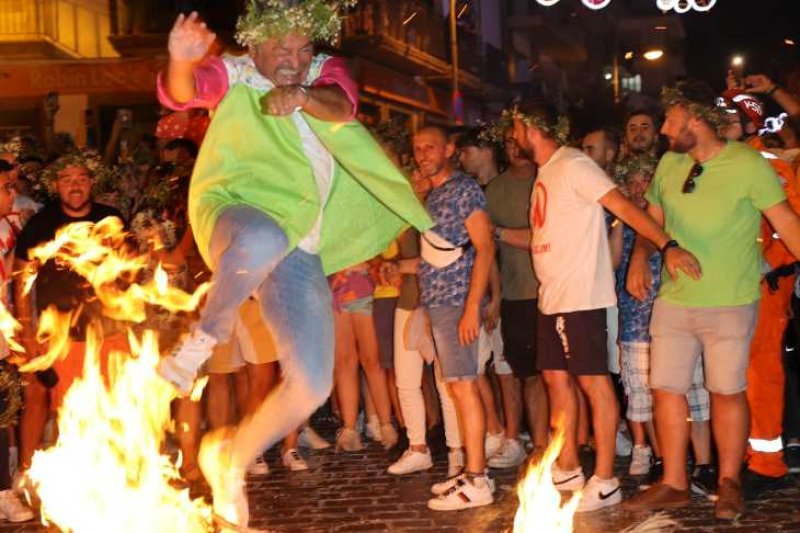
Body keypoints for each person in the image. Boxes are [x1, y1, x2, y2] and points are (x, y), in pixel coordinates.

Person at [154, 4, 431, 528]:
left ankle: (232, 460)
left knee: (311, 383)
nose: (293, 60)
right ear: (254, 45)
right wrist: (179, 59)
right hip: (235, 214)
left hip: (299, 246)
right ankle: (200, 341)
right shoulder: (235, 73)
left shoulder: (322, 73)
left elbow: (342, 104)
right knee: (261, 236)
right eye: (281, 48)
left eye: (303, 49)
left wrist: (303, 95)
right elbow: (184, 90)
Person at [508, 100, 701, 513]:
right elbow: (545, 234)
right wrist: (498, 233)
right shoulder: (547, 172)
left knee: (594, 384)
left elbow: (625, 207)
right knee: (556, 381)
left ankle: (607, 478)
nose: (511, 136)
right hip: (553, 297)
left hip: (584, 297)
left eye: (515, 128)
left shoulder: (575, 164)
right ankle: (569, 465)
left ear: (531, 127)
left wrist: (666, 245)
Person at [623, 80, 800, 520]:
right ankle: (674, 485)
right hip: (675, 300)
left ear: (697, 119)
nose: (664, 129)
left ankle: (729, 484)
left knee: (726, 391)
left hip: (731, 301)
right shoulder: (668, 164)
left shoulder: (748, 164)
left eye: (671, 119)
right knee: (665, 389)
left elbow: (786, 221)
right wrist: (641, 257)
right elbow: (653, 219)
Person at [13, 151, 127, 480]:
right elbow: (22, 280)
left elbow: (130, 275)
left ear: (91, 183)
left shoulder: (112, 218)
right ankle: (79, 481)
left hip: (111, 332)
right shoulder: (41, 224)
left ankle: (114, 477)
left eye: (80, 179)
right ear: (56, 186)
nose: (74, 186)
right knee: (72, 410)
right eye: (66, 180)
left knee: (115, 407)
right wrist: (27, 329)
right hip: (65, 337)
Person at [410, 125, 495, 511]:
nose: (423, 154)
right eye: (417, 148)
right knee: (459, 384)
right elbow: (439, 251)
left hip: (458, 302)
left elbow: (484, 247)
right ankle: (472, 471)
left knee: (463, 385)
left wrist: (473, 307)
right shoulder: (433, 194)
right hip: (439, 301)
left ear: (449, 149)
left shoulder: (463, 190)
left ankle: (477, 479)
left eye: (430, 147)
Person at [486, 130, 550, 466]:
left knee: (559, 374)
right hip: (515, 293)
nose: (516, 149)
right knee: (524, 372)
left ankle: (560, 442)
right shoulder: (495, 190)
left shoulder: (549, 179)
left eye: (519, 142)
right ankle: (532, 443)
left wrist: (500, 233)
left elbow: (545, 236)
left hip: (552, 290)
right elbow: (486, 250)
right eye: (509, 144)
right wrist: (494, 296)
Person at [0, 161, 35, 522]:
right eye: (6, 188)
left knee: (3, 410)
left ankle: (3, 492)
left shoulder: (10, 226)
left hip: (4, 333)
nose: (13, 193)